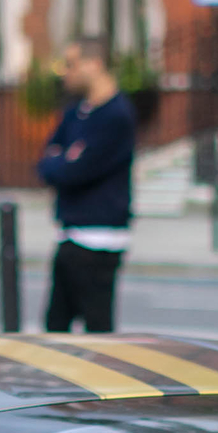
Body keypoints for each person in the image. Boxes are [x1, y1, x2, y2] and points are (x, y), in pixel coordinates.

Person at [36, 37, 136, 333]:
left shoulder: (116, 115)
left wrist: (65, 162)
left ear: (94, 64)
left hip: (99, 238)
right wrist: (63, 160)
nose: (65, 72)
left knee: (97, 332)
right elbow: (48, 160)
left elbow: (75, 171)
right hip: (70, 232)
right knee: (55, 327)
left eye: (71, 64)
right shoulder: (76, 111)